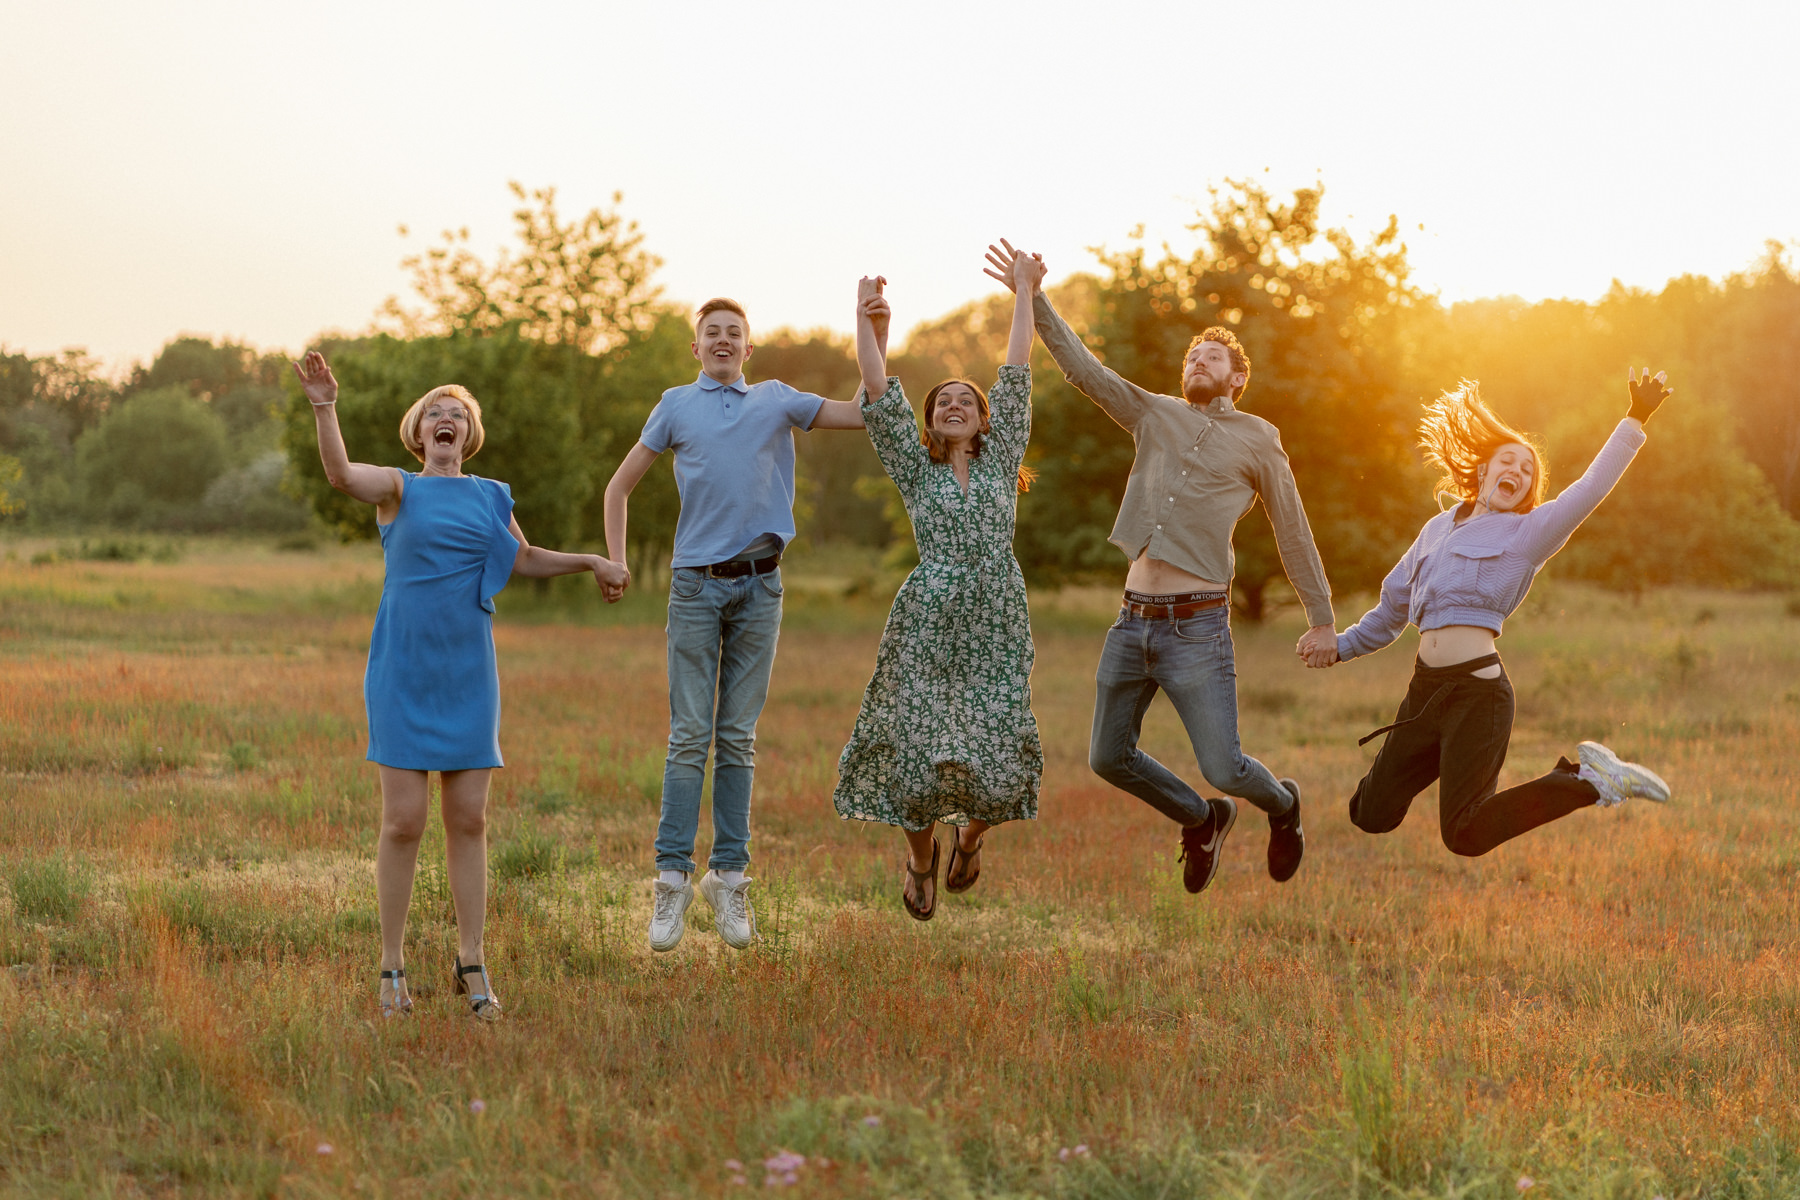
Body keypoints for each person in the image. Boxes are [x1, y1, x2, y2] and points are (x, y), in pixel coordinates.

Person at [988, 241, 1333, 895]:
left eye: (1212, 356)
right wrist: (1031, 295)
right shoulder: (1153, 412)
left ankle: (1282, 805)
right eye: (1191, 356)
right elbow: (1083, 369)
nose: (1197, 360)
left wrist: (1320, 619)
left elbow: (1292, 529)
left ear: (1237, 378)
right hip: (1131, 623)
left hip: (1197, 629)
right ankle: (1202, 819)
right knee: (1106, 758)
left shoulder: (1258, 438)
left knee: (1226, 765)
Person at [293, 351, 627, 1020]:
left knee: (470, 817)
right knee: (403, 820)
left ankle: (471, 960)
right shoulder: (397, 489)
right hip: (405, 666)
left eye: (459, 415)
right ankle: (391, 965)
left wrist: (592, 559)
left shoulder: (491, 494)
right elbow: (338, 473)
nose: (447, 420)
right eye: (436, 414)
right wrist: (325, 406)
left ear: (467, 437)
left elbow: (523, 557)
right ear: (418, 433)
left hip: (468, 670)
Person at [1297, 372, 1674, 853]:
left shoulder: (1527, 534)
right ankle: (1441, 752)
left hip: (1479, 695)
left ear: (1529, 490)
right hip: (1425, 694)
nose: (1518, 470)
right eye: (1508, 460)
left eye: (1529, 470)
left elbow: (1590, 487)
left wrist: (1634, 419)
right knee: (1368, 814)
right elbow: (1390, 609)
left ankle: (1590, 781)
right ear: (1483, 471)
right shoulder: (1436, 528)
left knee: (1465, 834)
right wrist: (1340, 646)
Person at [602, 299, 868, 952]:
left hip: (761, 587)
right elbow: (618, 488)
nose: (722, 341)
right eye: (711, 334)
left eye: (734, 334)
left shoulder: (776, 400)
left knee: (739, 738)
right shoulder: (675, 405)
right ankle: (671, 879)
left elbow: (864, 412)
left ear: (748, 350)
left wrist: (873, 333)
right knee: (690, 736)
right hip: (695, 587)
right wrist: (614, 560)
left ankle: (729, 875)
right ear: (696, 349)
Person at [834, 256, 1044, 921]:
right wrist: (868, 317)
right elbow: (875, 386)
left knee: (1000, 760)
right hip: (928, 620)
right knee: (916, 758)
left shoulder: (1003, 452)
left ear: (985, 421)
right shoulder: (914, 468)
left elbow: (1016, 369)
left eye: (966, 400)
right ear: (930, 424)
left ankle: (971, 840)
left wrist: (1023, 292)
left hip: (997, 620)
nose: (954, 403)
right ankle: (921, 857)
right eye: (942, 401)